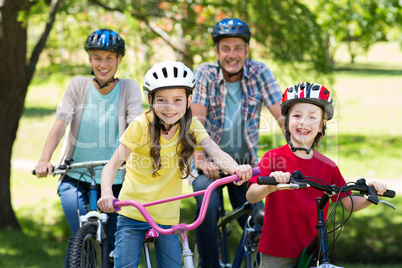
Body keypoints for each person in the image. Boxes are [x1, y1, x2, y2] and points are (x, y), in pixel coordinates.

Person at [97, 60, 254, 268]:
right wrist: (107, 193)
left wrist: (236, 168)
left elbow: (214, 151)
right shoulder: (141, 125)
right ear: (150, 99)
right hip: (133, 212)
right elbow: (112, 165)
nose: (169, 107)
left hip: (167, 216)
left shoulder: (192, 125)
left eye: (177, 100)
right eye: (161, 100)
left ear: (189, 99)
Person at [246, 82, 388, 268]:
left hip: (313, 250)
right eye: (297, 116)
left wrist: (371, 194)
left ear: (322, 126)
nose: (304, 122)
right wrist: (270, 186)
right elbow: (251, 195)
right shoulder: (274, 158)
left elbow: (348, 203)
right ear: (287, 122)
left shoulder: (328, 167)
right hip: (277, 249)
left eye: (312, 117)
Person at [34, 29, 143, 267]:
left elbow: (137, 129)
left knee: (115, 242)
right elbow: (60, 124)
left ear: (119, 60)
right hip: (75, 175)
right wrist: (45, 159)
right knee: (79, 235)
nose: (103, 64)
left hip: (116, 179)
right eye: (97, 58)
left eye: (109, 58)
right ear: (89, 59)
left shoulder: (129, 88)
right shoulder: (78, 86)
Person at [191, 18, 285, 267]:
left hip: (244, 166)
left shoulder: (260, 72)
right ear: (217, 52)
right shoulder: (204, 73)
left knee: (260, 219)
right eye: (225, 49)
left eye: (237, 48)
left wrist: (300, 149)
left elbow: (282, 116)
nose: (231, 55)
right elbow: (195, 120)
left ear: (247, 50)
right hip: (209, 164)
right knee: (206, 209)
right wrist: (200, 160)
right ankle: (209, 264)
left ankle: (258, 260)